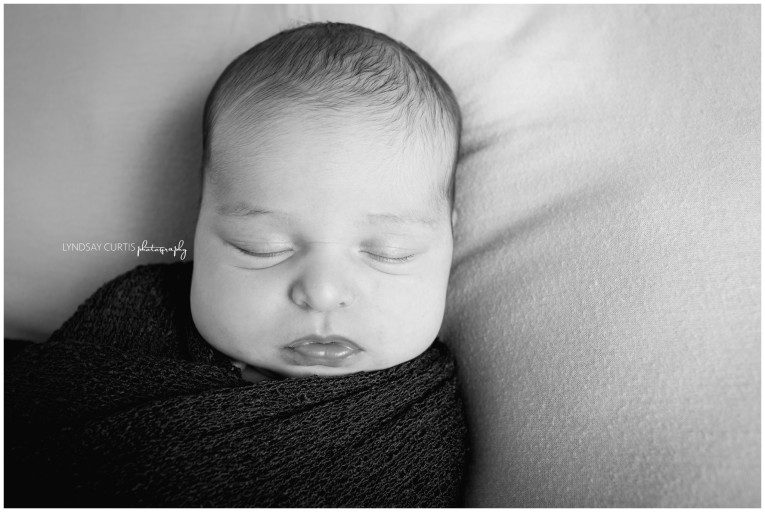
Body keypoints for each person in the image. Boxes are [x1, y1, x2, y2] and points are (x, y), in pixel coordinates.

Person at [5, 22, 466, 507]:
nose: (323, 292)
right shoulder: (136, 323)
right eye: (260, 247)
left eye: (388, 252)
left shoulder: (418, 414)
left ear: (452, 236)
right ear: (197, 228)